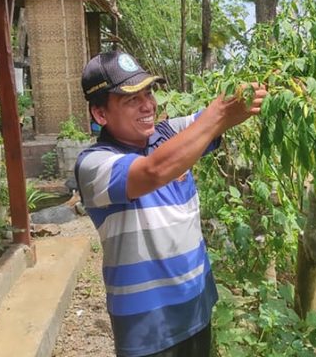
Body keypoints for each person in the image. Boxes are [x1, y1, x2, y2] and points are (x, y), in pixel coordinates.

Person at [75, 51, 267, 357]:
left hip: (196, 305)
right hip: (148, 325)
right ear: (100, 115)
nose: (148, 105)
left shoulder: (166, 133)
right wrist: (216, 115)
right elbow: (153, 171)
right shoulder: (94, 164)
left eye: (148, 93)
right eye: (130, 99)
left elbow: (216, 120)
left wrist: (252, 93)